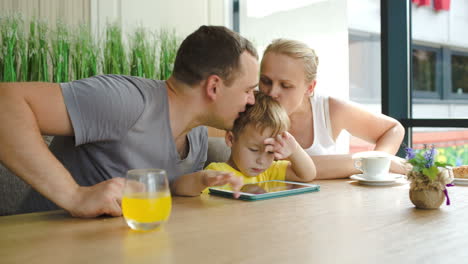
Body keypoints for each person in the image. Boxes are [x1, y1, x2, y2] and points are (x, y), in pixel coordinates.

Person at [0, 25, 258, 217]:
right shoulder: (126, 101)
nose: (251, 101)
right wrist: (75, 195)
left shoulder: (197, 136)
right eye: (248, 90)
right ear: (214, 87)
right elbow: (6, 103)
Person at [258, 39, 407, 179]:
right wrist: (367, 162)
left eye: (285, 85)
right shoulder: (248, 109)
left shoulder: (329, 110)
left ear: (310, 88)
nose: (271, 93)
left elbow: (394, 129)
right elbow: (275, 170)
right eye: (265, 81)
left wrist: (379, 163)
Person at [188, 91, 316, 196]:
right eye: (254, 149)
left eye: (270, 152)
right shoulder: (218, 173)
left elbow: (308, 175)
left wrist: (294, 150)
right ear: (231, 139)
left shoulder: (268, 172)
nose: (261, 160)